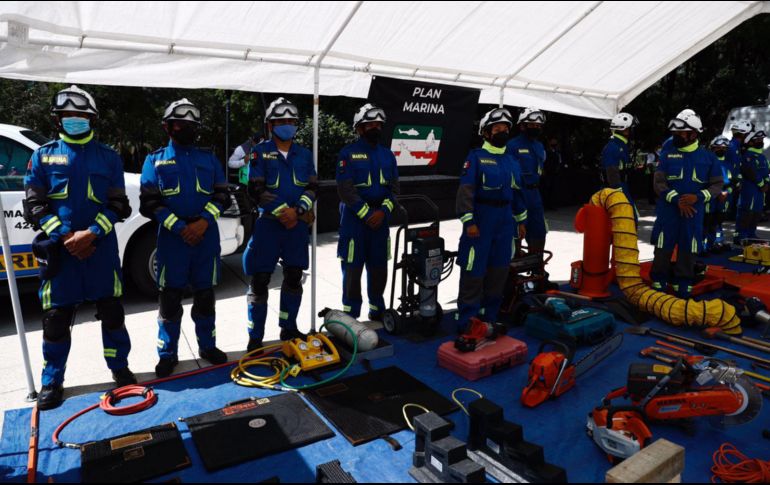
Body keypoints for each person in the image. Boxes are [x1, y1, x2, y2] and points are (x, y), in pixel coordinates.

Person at [23, 85, 135, 409]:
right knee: (56, 319)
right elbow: (33, 204)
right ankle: (52, 382)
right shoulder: (43, 156)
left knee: (112, 313)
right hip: (61, 253)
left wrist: (92, 233)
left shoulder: (109, 157)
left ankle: (120, 368)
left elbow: (119, 204)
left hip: (100, 251)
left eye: (81, 115)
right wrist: (66, 237)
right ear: (57, 119)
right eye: (67, 115)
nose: (74, 119)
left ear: (92, 118)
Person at [140, 98, 231, 377]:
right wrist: (181, 228)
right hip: (172, 241)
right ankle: (167, 354)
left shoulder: (208, 159)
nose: (185, 129)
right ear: (168, 127)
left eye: (191, 125)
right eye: (180, 124)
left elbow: (222, 196)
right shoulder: (154, 160)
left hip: (205, 238)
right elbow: (149, 203)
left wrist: (203, 222)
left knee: (205, 297)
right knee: (170, 300)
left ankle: (208, 346)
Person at [242, 98, 317, 352]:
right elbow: (255, 188)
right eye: (281, 121)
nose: (287, 125)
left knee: (294, 276)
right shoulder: (259, 152)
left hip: (295, 226)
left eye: (291, 122)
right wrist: (281, 211)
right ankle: (256, 336)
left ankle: (288, 327)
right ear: (270, 124)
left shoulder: (305, 154)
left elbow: (311, 187)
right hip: (269, 226)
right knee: (260, 278)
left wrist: (298, 211)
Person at [455, 108, 527, 332]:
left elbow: (517, 194)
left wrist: (521, 221)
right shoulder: (476, 158)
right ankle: (468, 320)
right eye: (497, 129)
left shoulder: (512, 161)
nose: (502, 132)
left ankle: (489, 318)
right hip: (481, 220)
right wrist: (469, 222)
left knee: (499, 271)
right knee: (474, 270)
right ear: (486, 133)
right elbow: (465, 192)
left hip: (505, 221)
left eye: (505, 129)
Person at [336, 104, 399, 321]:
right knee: (352, 269)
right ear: (360, 128)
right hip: (354, 222)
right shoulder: (348, 154)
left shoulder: (388, 155)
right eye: (370, 124)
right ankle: (350, 314)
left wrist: (382, 211)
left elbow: (394, 189)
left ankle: (377, 308)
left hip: (380, 223)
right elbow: (346, 189)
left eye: (378, 125)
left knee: (379, 267)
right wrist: (366, 213)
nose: (375, 128)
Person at [650, 110, 723, 298]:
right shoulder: (667, 155)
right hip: (669, 211)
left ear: (693, 134)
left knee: (689, 247)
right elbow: (658, 183)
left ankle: (683, 285)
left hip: (693, 213)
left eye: (680, 133)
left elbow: (717, 185)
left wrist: (697, 197)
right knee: (663, 245)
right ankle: (658, 282)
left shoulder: (709, 158)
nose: (676, 137)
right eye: (675, 133)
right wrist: (677, 200)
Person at [506, 108, 547, 264]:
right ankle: (514, 273)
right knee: (516, 233)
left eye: (538, 125)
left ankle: (538, 271)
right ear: (522, 125)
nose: (535, 127)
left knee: (539, 232)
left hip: (535, 195)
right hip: (518, 194)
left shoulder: (539, 146)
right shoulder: (512, 145)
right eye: (532, 124)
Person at [601, 112, 639, 219]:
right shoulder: (613, 147)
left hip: (622, 186)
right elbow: (611, 173)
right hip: (616, 189)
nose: (632, 131)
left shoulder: (621, 145)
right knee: (628, 219)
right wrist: (619, 195)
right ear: (625, 130)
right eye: (631, 128)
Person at [735, 129, 769, 243]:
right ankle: (741, 236)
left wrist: (767, 183)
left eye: (762, 139)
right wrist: (762, 184)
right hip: (750, 190)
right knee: (746, 212)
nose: (761, 141)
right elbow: (751, 172)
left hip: (760, 191)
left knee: (757, 213)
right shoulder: (747, 156)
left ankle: (751, 234)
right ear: (750, 142)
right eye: (758, 140)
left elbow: (766, 172)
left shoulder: (762, 157)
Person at [703, 136, 733, 253]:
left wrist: (727, 192)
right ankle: (703, 246)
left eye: (724, 148)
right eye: (719, 147)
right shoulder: (706, 163)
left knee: (718, 220)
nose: (722, 150)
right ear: (712, 148)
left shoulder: (728, 165)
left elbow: (734, 183)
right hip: (710, 197)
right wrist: (717, 192)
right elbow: (703, 182)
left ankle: (717, 242)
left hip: (723, 199)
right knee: (707, 221)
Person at [541, 137, 561, 210]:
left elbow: (559, 162)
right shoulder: (545, 151)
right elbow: (543, 162)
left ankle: (551, 205)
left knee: (553, 189)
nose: (554, 142)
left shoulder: (557, 152)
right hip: (547, 173)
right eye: (553, 141)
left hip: (554, 173)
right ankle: (545, 205)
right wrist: (543, 171)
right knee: (546, 189)